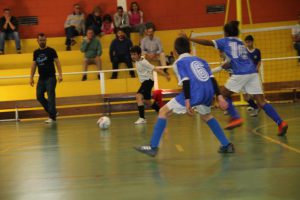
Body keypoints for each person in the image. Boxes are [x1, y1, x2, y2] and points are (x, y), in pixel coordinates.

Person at [183, 21, 288, 136]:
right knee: (261, 102)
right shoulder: (241, 42)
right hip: (252, 72)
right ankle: (280, 122)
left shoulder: (225, 41)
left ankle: (235, 117)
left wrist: (190, 39)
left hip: (241, 73)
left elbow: (208, 42)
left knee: (222, 95)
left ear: (226, 33)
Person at [135, 37, 234, 157]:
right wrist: (219, 96)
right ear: (190, 50)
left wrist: (187, 101)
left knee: (163, 112)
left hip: (194, 91)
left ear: (175, 52)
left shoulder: (178, 63)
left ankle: (153, 147)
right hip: (208, 90)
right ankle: (226, 144)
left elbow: (186, 81)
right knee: (207, 116)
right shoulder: (201, 60)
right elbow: (212, 78)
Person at [130, 45, 170, 125]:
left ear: (139, 54)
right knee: (147, 101)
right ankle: (161, 111)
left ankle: (142, 118)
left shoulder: (144, 62)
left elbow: (155, 69)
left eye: (134, 54)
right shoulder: (137, 61)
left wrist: (165, 75)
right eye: (131, 54)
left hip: (148, 81)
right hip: (145, 82)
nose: (132, 56)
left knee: (138, 96)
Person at [30, 33, 63, 123]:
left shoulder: (51, 51)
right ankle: (54, 112)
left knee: (51, 97)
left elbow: (57, 62)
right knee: (39, 96)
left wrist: (60, 75)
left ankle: (52, 117)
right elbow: (34, 65)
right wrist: (31, 77)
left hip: (51, 78)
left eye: (44, 40)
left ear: (46, 40)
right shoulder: (36, 52)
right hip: (41, 78)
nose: (42, 42)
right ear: (37, 41)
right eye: (40, 40)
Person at [244, 35, 261, 116]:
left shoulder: (257, 51)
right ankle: (255, 106)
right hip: (245, 75)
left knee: (255, 94)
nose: (248, 43)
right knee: (246, 96)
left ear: (252, 41)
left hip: (254, 75)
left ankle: (256, 108)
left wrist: (257, 68)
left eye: (249, 42)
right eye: (246, 42)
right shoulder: (244, 51)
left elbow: (259, 61)